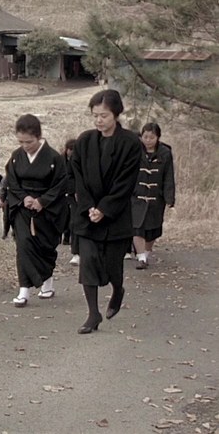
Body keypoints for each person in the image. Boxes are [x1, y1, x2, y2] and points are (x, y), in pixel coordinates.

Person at [71, 89, 141, 334]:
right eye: (95, 115)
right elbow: (77, 175)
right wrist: (89, 206)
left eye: (104, 115)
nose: (99, 120)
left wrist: (104, 208)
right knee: (88, 261)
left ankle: (118, 290)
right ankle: (93, 314)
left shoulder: (130, 143)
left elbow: (126, 182)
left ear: (116, 114)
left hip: (115, 214)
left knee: (112, 268)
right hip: (88, 214)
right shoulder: (85, 141)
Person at [5, 115, 67, 307]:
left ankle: (47, 283)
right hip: (23, 207)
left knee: (45, 247)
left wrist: (42, 201)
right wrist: (24, 198)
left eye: (29, 142)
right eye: (21, 142)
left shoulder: (54, 158)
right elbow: (12, 181)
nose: (25, 146)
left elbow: (61, 184)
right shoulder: (16, 156)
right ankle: (24, 290)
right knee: (23, 245)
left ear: (38, 136)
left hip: (47, 209)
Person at [131, 122, 175, 270]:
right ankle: (141, 257)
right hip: (137, 196)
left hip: (156, 197)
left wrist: (169, 198)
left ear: (158, 137)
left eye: (151, 137)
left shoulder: (165, 153)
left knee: (153, 230)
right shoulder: (135, 150)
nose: (148, 140)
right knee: (137, 227)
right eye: (145, 137)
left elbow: (168, 176)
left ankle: (146, 253)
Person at [63, 138, 81, 266]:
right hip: (74, 197)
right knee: (74, 222)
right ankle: (76, 252)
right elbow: (69, 177)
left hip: (90, 195)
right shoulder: (68, 161)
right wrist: (74, 190)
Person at [0, 175, 12, 239]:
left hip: (17, 200)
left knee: (14, 217)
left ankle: (14, 232)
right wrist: (1, 199)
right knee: (6, 218)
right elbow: (2, 188)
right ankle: (5, 232)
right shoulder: (7, 177)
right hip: (8, 201)